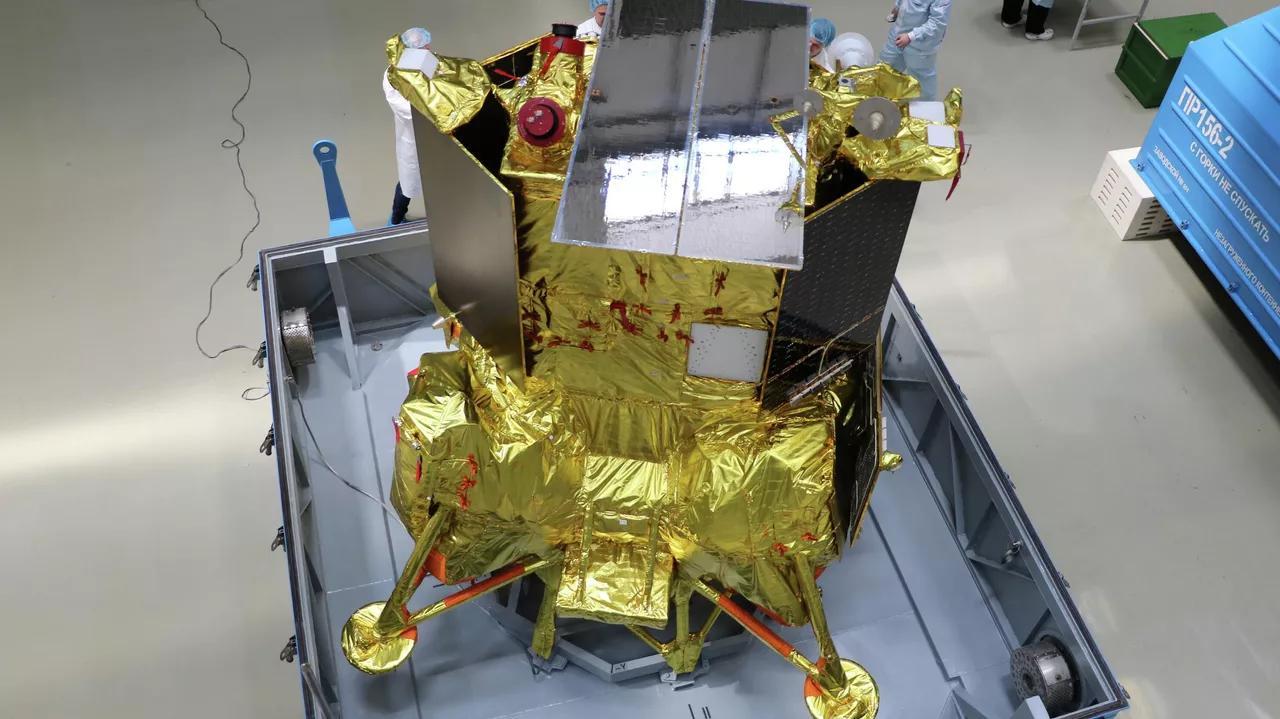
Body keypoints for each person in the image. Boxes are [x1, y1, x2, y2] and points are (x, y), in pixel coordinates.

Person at [383, 27, 430, 226]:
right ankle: (396, 218)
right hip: (412, 134)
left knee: (440, 173)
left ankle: (445, 214)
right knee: (408, 178)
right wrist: (432, 111)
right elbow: (403, 108)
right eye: (424, 47)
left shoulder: (426, 60)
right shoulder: (392, 75)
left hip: (435, 130)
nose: (428, 49)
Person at [879, 0, 952, 101]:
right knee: (885, 69)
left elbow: (937, 23)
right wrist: (897, 8)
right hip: (897, 36)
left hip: (920, 46)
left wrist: (911, 36)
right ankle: (880, 100)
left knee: (921, 80)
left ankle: (925, 107)